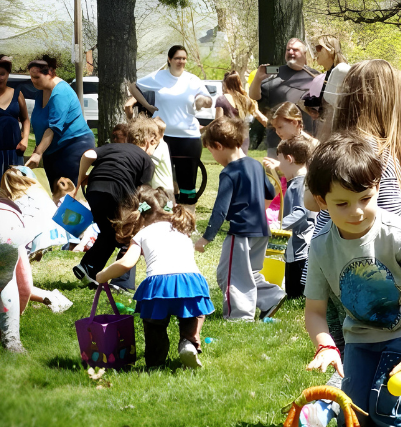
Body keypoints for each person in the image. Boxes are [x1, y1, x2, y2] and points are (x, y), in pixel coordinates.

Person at [298, 59, 401, 423]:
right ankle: (330, 405)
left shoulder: (332, 145)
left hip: (327, 268)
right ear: (388, 102)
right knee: (365, 364)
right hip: (362, 273)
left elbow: (306, 199)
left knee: (346, 355)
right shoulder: (375, 154)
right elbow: (391, 219)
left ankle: (332, 406)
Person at [304, 134, 401, 427]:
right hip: (359, 337)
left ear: (377, 187)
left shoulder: (399, 236)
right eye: (342, 203)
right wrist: (325, 345)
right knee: (351, 413)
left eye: (365, 198)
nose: (356, 211)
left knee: (384, 406)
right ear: (322, 201)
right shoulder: (320, 248)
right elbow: (315, 311)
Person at [96, 185, 214, 369]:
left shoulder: (142, 234)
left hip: (159, 286)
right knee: (194, 313)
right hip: (190, 282)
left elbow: (126, 263)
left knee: (155, 328)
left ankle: (155, 364)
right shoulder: (182, 230)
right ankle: (189, 341)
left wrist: (102, 275)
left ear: (140, 213)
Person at [195, 117, 285, 321]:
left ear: (218, 145)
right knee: (249, 272)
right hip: (261, 229)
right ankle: (272, 297)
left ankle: (239, 316)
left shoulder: (229, 172)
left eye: (211, 150)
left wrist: (206, 238)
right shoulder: (255, 164)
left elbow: (220, 210)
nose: (213, 156)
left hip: (241, 233)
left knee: (229, 275)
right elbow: (271, 192)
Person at [71, 117, 157, 291]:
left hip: (94, 190)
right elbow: (143, 193)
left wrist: (79, 181)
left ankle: (88, 267)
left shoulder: (113, 147)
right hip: (119, 191)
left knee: (109, 232)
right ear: (150, 141)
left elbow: (88, 155)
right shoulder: (146, 161)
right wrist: (144, 213)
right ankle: (121, 282)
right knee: (128, 234)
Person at [129, 45, 213, 207]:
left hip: (189, 138)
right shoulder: (158, 77)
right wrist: (147, 105)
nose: (181, 61)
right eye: (177, 58)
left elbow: (207, 100)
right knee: (160, 183)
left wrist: (203, 101)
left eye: (183, 58)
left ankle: (187, 221)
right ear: (169, 59)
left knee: (188, 187)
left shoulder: (192, 80)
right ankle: (161, 217)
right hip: (162, 138)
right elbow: (133, 86)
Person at [24, 55, 95, 190]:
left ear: (49, 73)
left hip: (73, 146)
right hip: (52, 149)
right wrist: (39, 148)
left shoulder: (60, 92)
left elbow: (53, 128)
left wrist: (38, 153)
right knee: (56, 192)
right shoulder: (41, 92)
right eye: (31, 77)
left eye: (37, 77)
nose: (33, 81)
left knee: (66, 192)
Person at [0, 177, 34, 353]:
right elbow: (24, 287)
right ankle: (11, 342)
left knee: (5, 282)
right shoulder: (10, 207)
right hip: (7, 228)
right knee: (5, 284)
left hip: (2, 225)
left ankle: (10, 341)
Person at [249, 38, 319, 157]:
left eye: (295, 49)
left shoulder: (315, 77)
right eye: (288, 49)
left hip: (306, 141)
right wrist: (258, 78)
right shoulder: (274, 75)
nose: (291, 52)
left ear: (304, 54)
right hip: (277, 143)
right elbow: (254, 96)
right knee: (278, 175)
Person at [274, 135, 315, 300]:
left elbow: (302, 212)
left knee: (296, 292)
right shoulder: (298, 182)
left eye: (280, 162)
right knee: (291, 292)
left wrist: (279, 225)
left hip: (301, 248)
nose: (280, 167)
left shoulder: (300, 183)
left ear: (289, 159)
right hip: (295, 247)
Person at [0, 55, 29, 184]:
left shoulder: (17, 94)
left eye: (2, 74)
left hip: (15, 152)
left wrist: (25, 140)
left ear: (7, 74)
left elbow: (25, 119)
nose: (0, 78)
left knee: (15, 192)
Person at [308, 34, 350, 143]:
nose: (316, 52)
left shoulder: (341, 70)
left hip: (338, 136)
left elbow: (336, 108)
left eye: (319, 47)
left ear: (330, 49)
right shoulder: (330, 73)